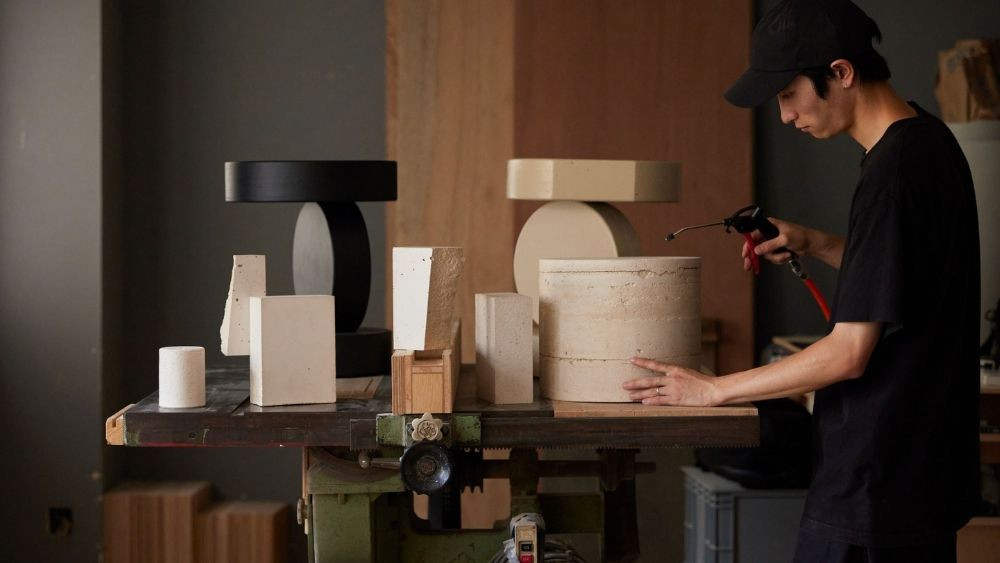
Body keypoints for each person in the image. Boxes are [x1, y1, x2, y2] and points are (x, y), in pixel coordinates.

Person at [622, 1, 981, 561]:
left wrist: (714, 390)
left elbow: (849, 353)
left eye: (789, 94)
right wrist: (816, 243)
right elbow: (909, 279)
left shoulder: (891, 175)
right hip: (918, 477)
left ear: (841, 72)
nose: (786, 115)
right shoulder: (929, 142)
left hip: (876, 483)